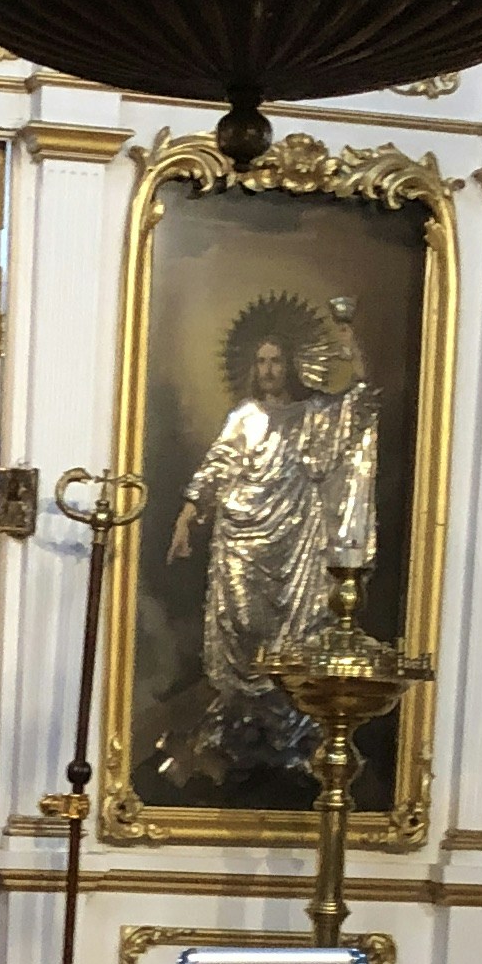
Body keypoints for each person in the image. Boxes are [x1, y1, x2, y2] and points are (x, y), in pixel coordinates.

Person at [166, 294, 377, 785]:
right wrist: (186, 516)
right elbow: (216, 468)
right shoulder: (244, 417)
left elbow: (362, 401)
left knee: (297, 633)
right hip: (243, 536)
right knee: (243, 625)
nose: (268, 370)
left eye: (276, 360)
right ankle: (238, 728)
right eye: (261, 361)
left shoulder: (315, 413)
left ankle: (290, 734)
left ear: (292, 363)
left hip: (298, 540)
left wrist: (352, 350)